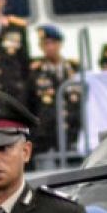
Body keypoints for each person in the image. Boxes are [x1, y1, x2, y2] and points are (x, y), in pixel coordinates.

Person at [29, 24, 83, 159]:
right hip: (47, 134)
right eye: (45, 44)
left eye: (53, 43)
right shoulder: (35, 71)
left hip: (73, 131)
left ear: (60, 44)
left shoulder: (74, 68)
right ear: (40, 46)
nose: (50, 47)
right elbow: (29, 102)